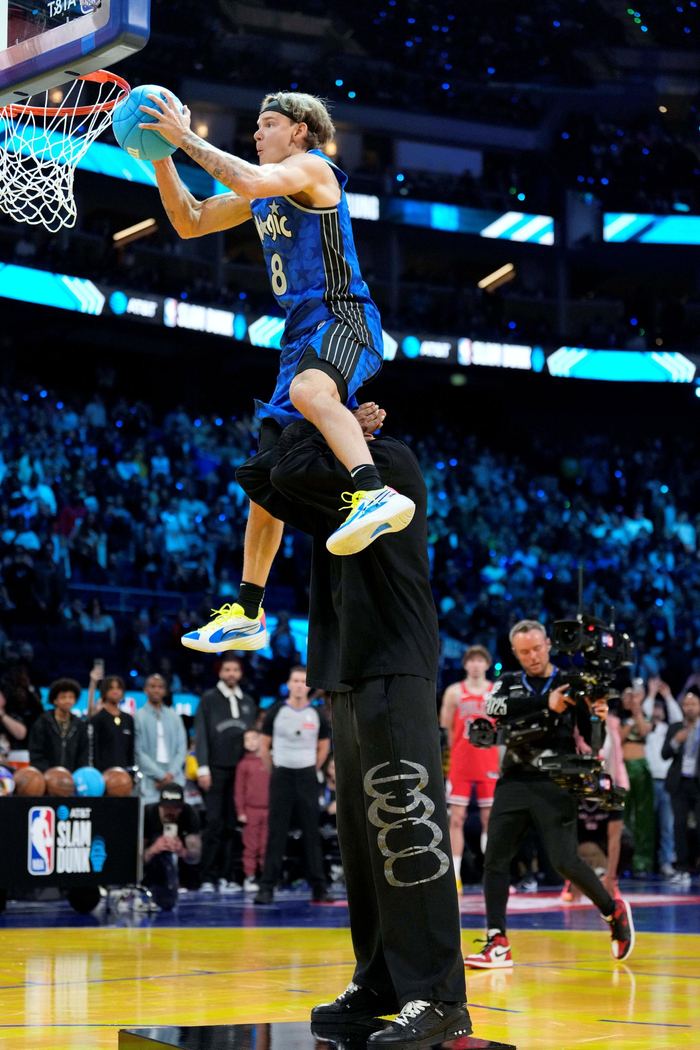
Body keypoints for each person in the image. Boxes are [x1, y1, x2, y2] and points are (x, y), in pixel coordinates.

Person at [147, 88, 413, 655]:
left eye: (267, 124)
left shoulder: (312, 169)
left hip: (344, 315)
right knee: (266, 476)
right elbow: (190, 221)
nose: (256, 133)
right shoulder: (263, 194)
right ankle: (247, 612)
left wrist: (184, 136)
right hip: (297, 337)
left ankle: (374, 492)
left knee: (310, 389)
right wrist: (160, 156)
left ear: (299, 131)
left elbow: (248, 180)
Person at [236, 417, 470, 1047]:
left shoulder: (388, 462)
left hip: (393, 659)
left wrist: (317, 422)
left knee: (406, 829)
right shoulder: (333, 485)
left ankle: (438, 995)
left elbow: (287, 468)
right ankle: (380, 981)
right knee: (364, 843)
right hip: (345, 669)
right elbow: (261, 477)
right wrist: (302, 427)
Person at [464, 620, 634, 970]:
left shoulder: (571, 681)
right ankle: (498, 941)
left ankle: (612, 910)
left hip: (556, 782)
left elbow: (591, 739)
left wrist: (597, 717)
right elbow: (495, 708)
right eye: (524, 652)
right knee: (494, 860)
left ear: (548, 645)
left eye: (537, 648)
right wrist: (547, 703)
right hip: (513, 780)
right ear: (515, 654)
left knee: (563, 861)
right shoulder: (508, 681)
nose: (532, 656)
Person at [255, 666, 331, 904]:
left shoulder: (316, 714)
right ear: (288, 684)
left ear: (308, 686)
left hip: (307, 776)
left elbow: (324, 746)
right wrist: (275, 770)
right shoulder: (276, 711)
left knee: (311, 833)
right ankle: (266, 887)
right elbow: (263, 745)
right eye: (295, 681)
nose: (299, 685)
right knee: (276, 832)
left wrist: (312, 768)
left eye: (302, 681)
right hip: (282, 775)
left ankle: (319, 888)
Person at [194, 655, 257, 892]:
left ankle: (227, 876)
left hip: (241, 773)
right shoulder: (208, 700)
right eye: (227, 669)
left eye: (235, 670)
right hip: (215, 770)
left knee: (233, 825)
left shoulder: (248, 702)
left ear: (240, 673)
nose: (231, 674)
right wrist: (203, 768)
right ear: (220, 672)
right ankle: (207, 877)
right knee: (213, 824)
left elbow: (253, 739)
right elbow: (201, 736)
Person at [440, 644, 497, 892]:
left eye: (480, 660)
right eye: (471, 660)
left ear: (487, 664)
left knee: (489, 818)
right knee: (456, 818)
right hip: (460, 763)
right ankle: (454, 876)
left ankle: (492, 873)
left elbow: (503, 729)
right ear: (465, 664)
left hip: (489, 762)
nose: (475, 664)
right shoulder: (454, 692)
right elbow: (446, 730)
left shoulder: (496, 692)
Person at [643, 679, 683, 878]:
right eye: (654, 707)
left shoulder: (669, 729)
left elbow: (679, 718)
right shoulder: (646, 729)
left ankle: (666, 862)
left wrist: (667, 696)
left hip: (667, 782)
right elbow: (644, 712)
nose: (656, 710)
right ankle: (645, 863)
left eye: (660, 708)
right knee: (646, 825)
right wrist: (651, 694)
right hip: (647, 780)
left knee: (668, 826)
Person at [142, 783, 202, 910]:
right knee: (157, 842)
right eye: (167, 807)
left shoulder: (190, 814)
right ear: (160, 806)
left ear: (181, 807)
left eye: (175, 808)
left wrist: (182, 851)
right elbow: (134, 859)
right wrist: (154, 849)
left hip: (182, 868)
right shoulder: (147, 814)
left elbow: (196, 857)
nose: (171, 811)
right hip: (149, 868)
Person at [662, 690, 700, 887]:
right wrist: (676, 741)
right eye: (686, 704)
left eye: (693, 704)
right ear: (682, 707)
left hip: (698, 783)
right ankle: (682, 869)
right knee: (679, 826)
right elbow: (664, 754)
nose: (690, 708)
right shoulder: (675, 727)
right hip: (680, 784)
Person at [134, 674, 188, 804]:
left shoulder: (174, 717)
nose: (156, 690)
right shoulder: (138, 717)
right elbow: (138, 752)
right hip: (148, 781)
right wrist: (162, 776)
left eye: (160, 687)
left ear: (164, 691)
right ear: (145, 689)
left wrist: (170, 775)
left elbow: (182, 749)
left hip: (175, 778)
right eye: (152, 686)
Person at [618, 684, 654, 876]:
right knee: (622, 816)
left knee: (643, 816)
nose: (630, 700)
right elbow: (619, 738)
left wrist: (637, 711)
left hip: (641, 768)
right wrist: (630, 719)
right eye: (627, 696)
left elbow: (644, 731)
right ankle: (622, 861)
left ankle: (642, 861)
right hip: (623, 768)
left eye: (633, 697)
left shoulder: (644, 717)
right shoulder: (616, 718)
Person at [234, 728, 271, 893]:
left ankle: (266, 877)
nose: (250, 742)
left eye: (253, 738)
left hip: (268, 810)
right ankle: (250, 876)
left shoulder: (269, 761)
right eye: (246, 739)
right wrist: (241, 811)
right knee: (251, 846)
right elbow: (239, 790)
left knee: (266, 846)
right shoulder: (243, 765)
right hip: (251, 811)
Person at [28, 678, 89, 773]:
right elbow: (36, 752)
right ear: (55, 700)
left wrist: (78, 774)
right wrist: (49, 773)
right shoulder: (43, 722)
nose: (68, 701)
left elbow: (83, 755)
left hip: (72, 777)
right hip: (46, 775)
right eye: (63, 697)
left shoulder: (79, 725)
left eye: (71, 697)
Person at [88, 674, 135, 775]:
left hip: (124, 774)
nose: (115, 691)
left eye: (118, 688)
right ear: (104, 692)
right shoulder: (98, 719)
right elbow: (94, 750)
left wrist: (130, 773)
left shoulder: (128, 719)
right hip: (103, 773)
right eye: (111, 688)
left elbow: (131, 749)